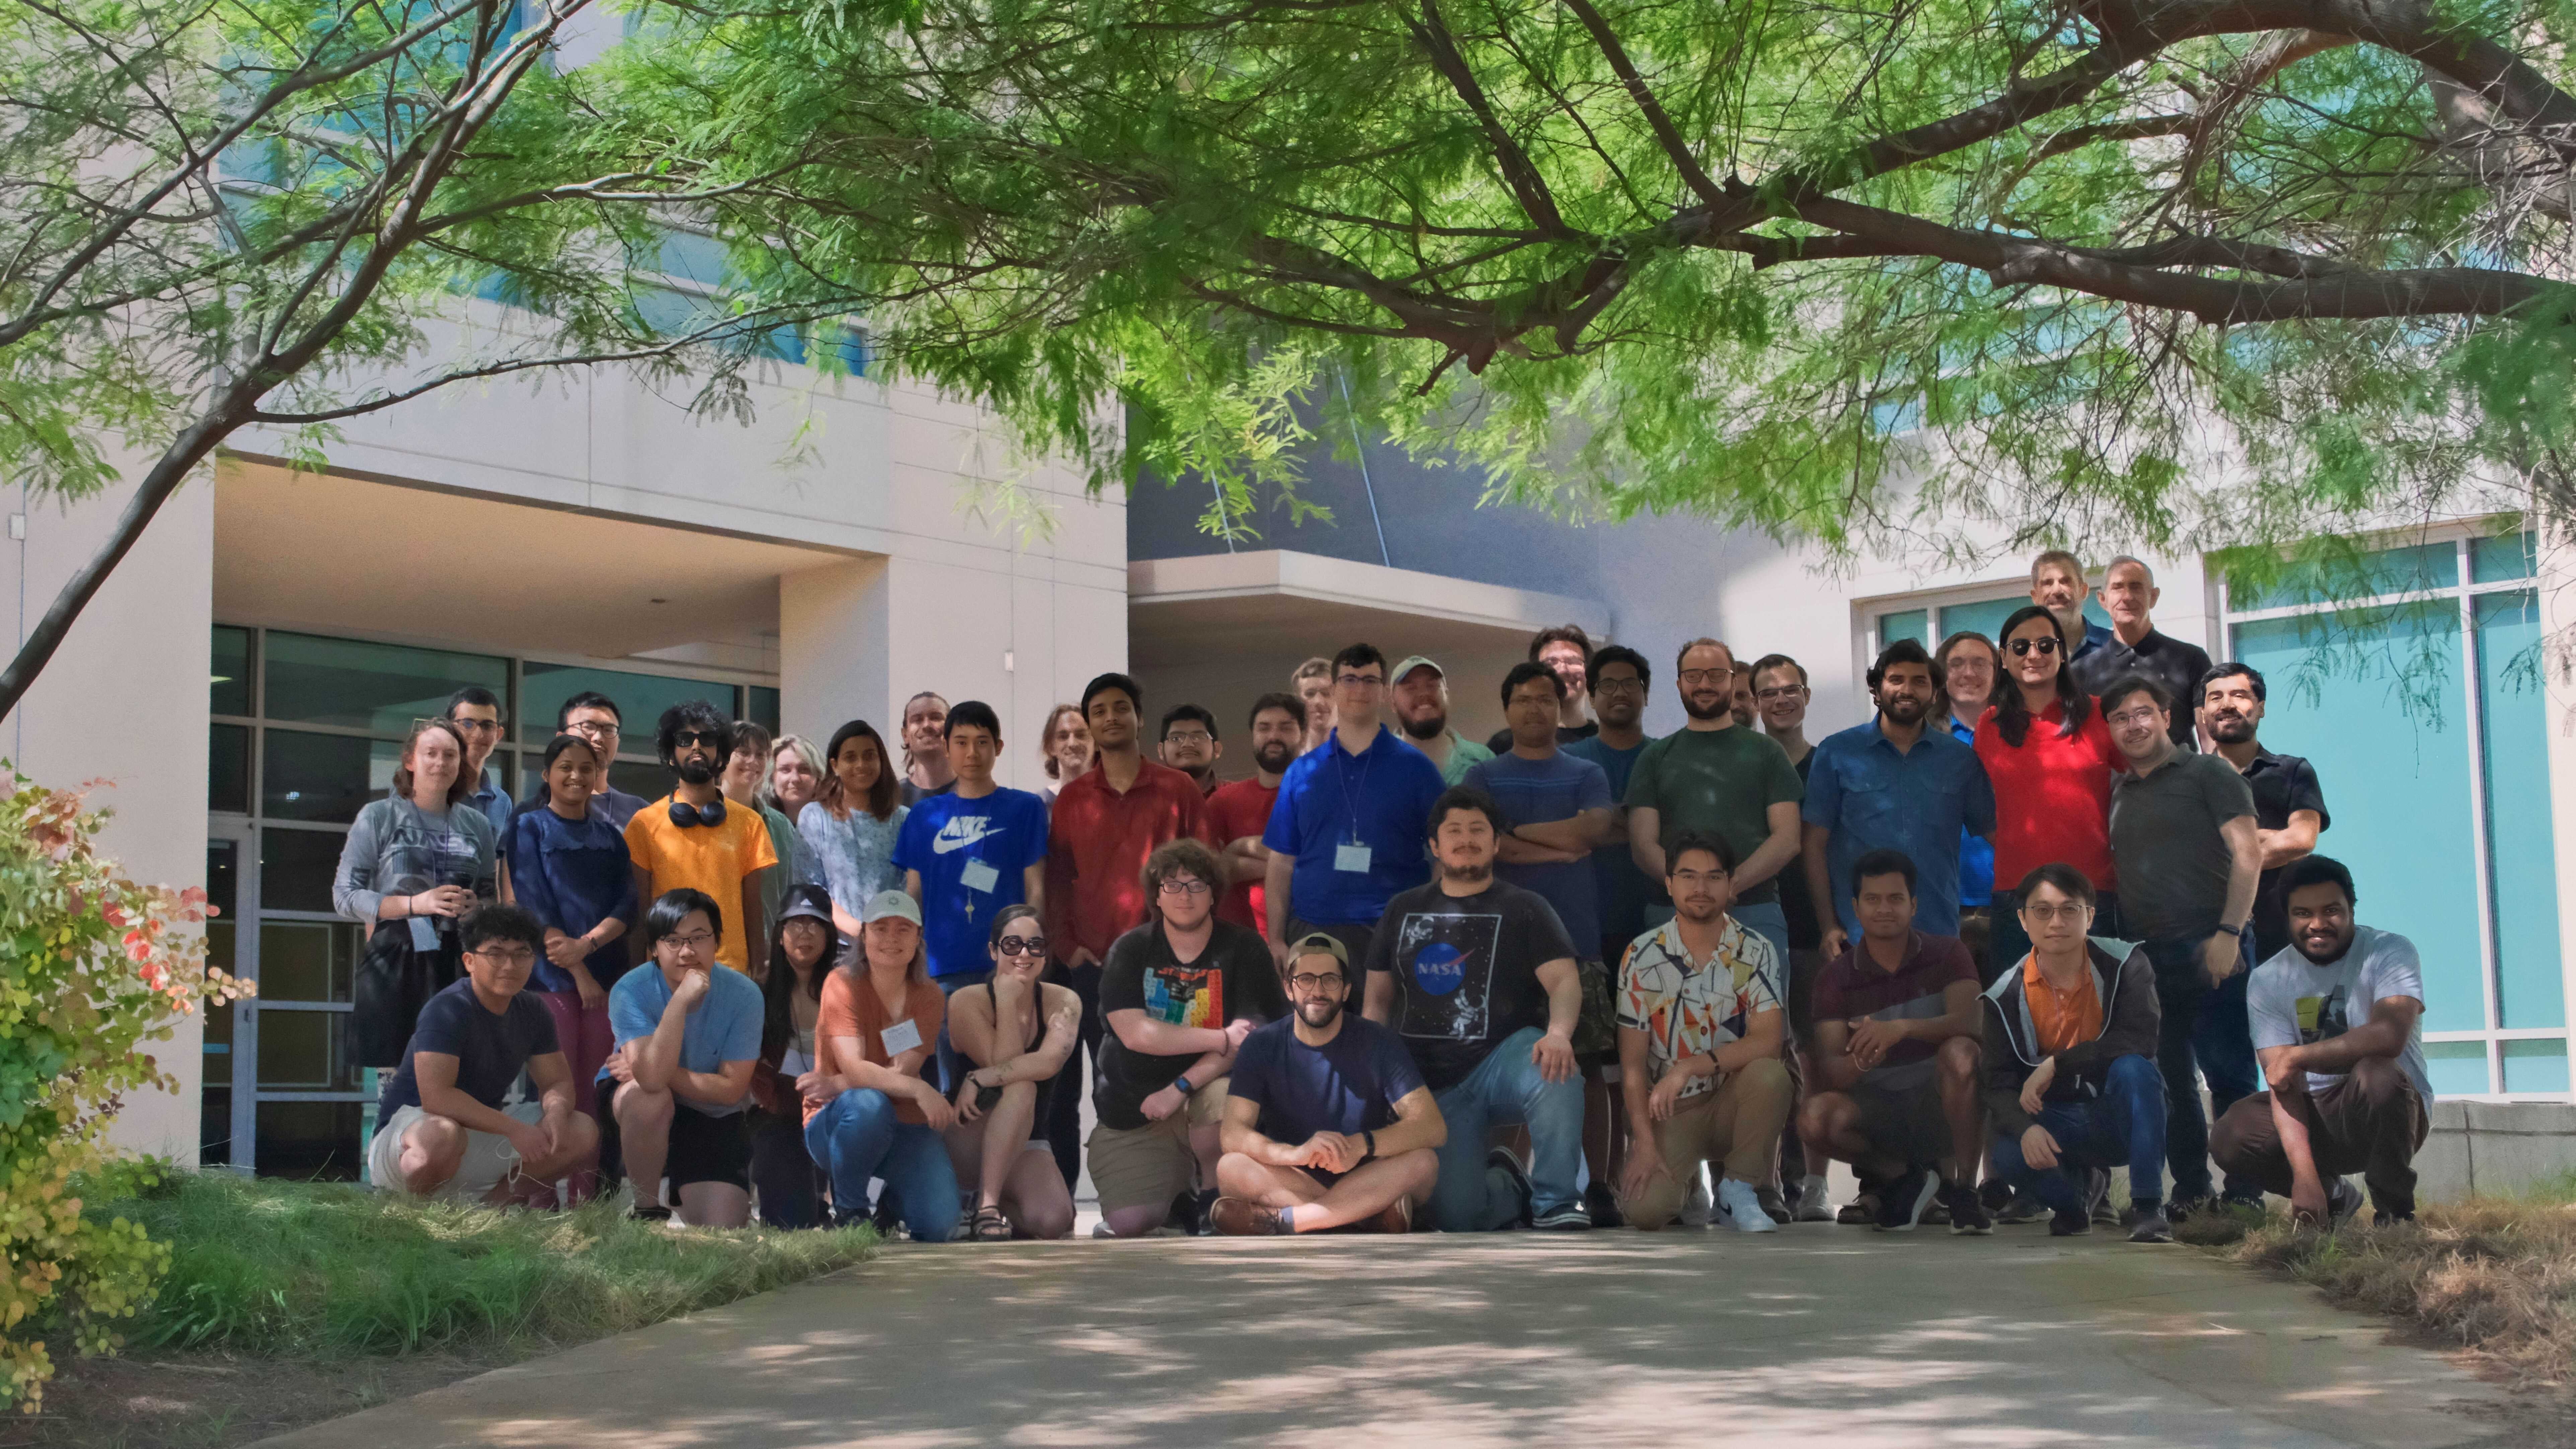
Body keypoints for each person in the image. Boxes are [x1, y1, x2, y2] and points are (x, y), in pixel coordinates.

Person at [1364, 788, 1589, 1231]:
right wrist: (1372, 1069)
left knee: (1557, 1067)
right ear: (1435, 845)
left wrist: (1559, 1031)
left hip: (1502, 1058)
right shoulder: (1403, 909)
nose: (1465, 840)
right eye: (1454, 831)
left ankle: (1556, 1200)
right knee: (1460, 1215)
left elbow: (1564, 980)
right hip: (1431, 1086)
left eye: (1477, 830)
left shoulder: (1526, 907)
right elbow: (1377, 999)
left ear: (1496, 842)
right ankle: (1509, 1182)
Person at [2103, 673, 2263, 1216]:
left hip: (2212, 945)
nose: (2134, 724)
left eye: (2142, 712)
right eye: (2121, 717)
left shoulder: (2209, 773)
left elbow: (2248, 853)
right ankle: (2191, 1191)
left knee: (2230, 1075)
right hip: (2147, 957)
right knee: (2170, 1080)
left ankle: (2243, 1196)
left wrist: (2229, 933)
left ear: (2166, 715)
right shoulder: (2116, 792)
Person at [1463, 662, 1618, 1221]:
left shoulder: (1583, 770)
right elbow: (1487, 846)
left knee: (1587, 1066)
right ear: (1506, 709)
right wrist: (1556, 847)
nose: (1533, 709)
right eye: (1522, 699)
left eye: (1543, 699)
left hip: (1576, 940)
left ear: (1560, 708)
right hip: (1499, 946)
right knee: (1505, 1067)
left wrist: (1516, 834)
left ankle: (1599, 1184)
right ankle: (1501, 1179)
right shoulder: (1483, 777)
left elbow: (1593, 830)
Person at [2212, 857, 2430, 1225]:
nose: (2317, 924)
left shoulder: (2389, 951)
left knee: (2376, 1071)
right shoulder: (2269, 979)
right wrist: (2305, 1178)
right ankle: (2333, 1197)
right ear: (2286, 916)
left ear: (2351, 908)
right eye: (2303, 913)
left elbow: (2389, 1035)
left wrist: (2299, 1056)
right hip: (2316, 1113)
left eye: (2331, 910)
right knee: (2231, 1132)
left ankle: (2395, 1215)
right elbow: (2282, 1081)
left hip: (2389, 1107)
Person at [1090, 840, 1287, 1236]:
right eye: (1173, 886)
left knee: (1219, 1099)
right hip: (1136, 1102)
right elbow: (1134, 1034)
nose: (1185, 895)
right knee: (1129, 1223)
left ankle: (1211, 1198)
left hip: (1204, 1090)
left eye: (1197, 885)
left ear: (1214, 893)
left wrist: (1181, 1086)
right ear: (1156, 897)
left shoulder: (1244, 947)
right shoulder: (1129, 950)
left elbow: (1247, 1040)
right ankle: (1178, 1196)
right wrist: (1218, 1037)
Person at [1798, 851, 1990, 1232]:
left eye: (1895, 899)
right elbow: (1833, 1069)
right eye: (1872, 899)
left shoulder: (1949, 953)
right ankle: (1906, 1178)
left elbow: (1970, 1023)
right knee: (1814, 1118)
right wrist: (1866, 1056)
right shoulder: (1835, 978)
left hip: (1939, 1104)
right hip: (1877, 1111)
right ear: (1855, 907)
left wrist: (1901, 1029)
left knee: (1963, 1053)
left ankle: (1965, 1191)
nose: (1884, 909)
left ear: (1914, 905)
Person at [1980, 864, 2173, 1242]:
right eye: (2042, 910)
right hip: (2059, 1121)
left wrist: (2058, 1063)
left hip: (2121, 1115)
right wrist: (2026, 1129)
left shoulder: (2127, 962)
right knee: (2008, 1152)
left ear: (2090, 915)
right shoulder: (2003, 993)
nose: (2056, 922)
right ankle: (2074, 1203)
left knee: (2135, 1069)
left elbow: (2140, 1039)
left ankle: (2149, 1208)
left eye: (2069, 909)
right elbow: (1996, 1083)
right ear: (2022, 919)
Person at [1611, 833, 1792, 1232]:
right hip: (1671, 1111)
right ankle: (1690, 1182)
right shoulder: (1641, 956)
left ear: (1731, 885)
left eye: (1713, 877)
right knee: (1645, 1213)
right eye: (1688, 876)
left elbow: (1768, 1040)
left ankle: (1738, 1189)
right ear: (1669, 882)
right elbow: (1632, 1067)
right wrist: (1642, 1143)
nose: (1700, 888)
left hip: (1734, 1101)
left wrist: (1691, 1066)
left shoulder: (1756, 949)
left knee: (1771, 1075)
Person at [1212, 934, 1446, 1234]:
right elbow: (1233, 1133)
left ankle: (1287, 1221)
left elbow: (1432, 1126)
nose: (1318, 991)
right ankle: (1365, 1217)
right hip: (1292, 1174)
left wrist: (1360, 1145)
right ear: (1288, 988)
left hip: (1367, 1174)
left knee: (1424, 1162)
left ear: (1346, 990)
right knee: (1231, 1167)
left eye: (1330, 980)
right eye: (1306, 979)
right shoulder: (1262, 1044)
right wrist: (1292, 1154)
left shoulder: (1378, 1041)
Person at [368, 904, 599, 1204]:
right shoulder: (447, 1008)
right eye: (495, 953)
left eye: (521, 953)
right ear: (469, 961)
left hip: (475, 1134)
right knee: (443, 1135)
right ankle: (411, 1215)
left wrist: (555, 1113)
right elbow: (436, 1098)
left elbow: (556, 1082)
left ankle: (485, 1212)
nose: (509, 965)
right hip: (410, 1138)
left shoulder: (534, 1010)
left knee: (580, 1129)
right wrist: (515, 1129)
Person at [893, 700, 1050, 1089]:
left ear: (998, 747)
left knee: (1006, 1074)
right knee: (951, 1082)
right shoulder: (924, 816)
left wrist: (1024, 954)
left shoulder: (1024, 808)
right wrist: (906, 958)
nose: (972, 753)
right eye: (961, 742)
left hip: (1003, 965)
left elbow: (1037, 888)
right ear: (946, 748)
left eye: (982, 742)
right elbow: (912, 892)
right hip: (941, 967)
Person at [1801, 640, 1996, 950]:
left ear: (1935, 694)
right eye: (1896, 680)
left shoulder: (1959, 760)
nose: (1907, 690)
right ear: (1876, 690)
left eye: (1919, 682)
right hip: (1859, 935)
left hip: (1938, 932)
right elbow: (1813, 844)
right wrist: (1828, 925)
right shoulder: (1837, 753)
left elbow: (1995, 833)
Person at [1625, 638, 1804, 975]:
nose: (1704, 684)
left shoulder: (1767, 753)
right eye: (1693, 676)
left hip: (1754, 909)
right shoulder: (1653, 758)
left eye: (1715, 674)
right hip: (1670, 915)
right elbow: (1642, 844)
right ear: (1679, 684)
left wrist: (1728, 886)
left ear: (1734, 680)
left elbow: (1788, 838)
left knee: (1763, 1026)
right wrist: (1691, 892)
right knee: (1672, 1027)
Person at [1262, 643, 1447, 965]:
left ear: (1384, 692)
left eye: (1370, 680)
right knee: (1315, 1019)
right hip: (1312, 929)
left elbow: (1446, 854)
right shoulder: (1301, 772)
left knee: (1383, 1019)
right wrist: (1276, 939)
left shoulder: (1418, 769)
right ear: (1334, 689)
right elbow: (1281, 862)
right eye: (1349, 679)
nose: (1359, 689)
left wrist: (1427, 923)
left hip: (1394, 930)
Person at [338, 717, 500, 1068]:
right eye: (431, 753)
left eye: (450, 755)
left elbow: (491, 898)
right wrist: (416, 903)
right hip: (396, 959)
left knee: (459, 1076)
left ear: (461, 765)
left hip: (459, 961)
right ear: (410, 760)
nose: (440, 763)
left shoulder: (478, 826)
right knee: (397, 1089)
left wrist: (478, 907)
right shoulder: (378, 816)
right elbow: (345, 896)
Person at [800, 890, 961, 1241]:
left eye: (904, 928)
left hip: (903, 1120)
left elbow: (902, 1068)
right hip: (839, 1121)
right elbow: (860, 1072)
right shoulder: (841, 984)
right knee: (867, 1104)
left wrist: (842, 1081)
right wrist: (919, 1088)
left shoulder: (930, 995)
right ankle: (851, 1211)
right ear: (864, 936)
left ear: (919, 938)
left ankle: (894, 1199)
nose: (892, 938)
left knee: (941, 1225)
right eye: (881, 928)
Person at [1974, 605, 2126, 975]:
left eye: (2045, 644)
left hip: (2092, 892)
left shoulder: (2100, 714)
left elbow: (2146, 784)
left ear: (2062, 652)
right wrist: (2021, 843)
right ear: (2004, 658)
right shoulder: (1989, 725)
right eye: (2021, 646)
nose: (2034, 654)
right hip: (2017, 893)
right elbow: (1978, 809)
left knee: (2098, 1016)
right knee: (2018, 1016)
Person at [600, 888, 763, 1225]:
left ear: (717, 941)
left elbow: (731, 1090)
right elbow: (651, 1083)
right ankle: (647, 1209)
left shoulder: (745, 995)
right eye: (672, 941)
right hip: (638, 1106)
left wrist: (646, 1068)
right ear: (654, 950)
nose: (687, 951)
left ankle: (680, 1189)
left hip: (711, 1113)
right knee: (650, 1098)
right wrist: (680, 1001)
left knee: (724, 1226)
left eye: (698, 938)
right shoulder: (629, 990)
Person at [1565, 643, 1658, 1226]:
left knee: (1651, 1061)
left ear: (1645, 693)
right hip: (1588, 927)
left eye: (1630, 684)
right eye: (1608, 685)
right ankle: (1600, 1182)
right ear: (1591, 695)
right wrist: (1614, 824)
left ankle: (1653, 1177)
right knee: (1595, 1065)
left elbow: (1613, 828)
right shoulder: (1574, 760)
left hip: (1654, 925)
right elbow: (1587, 832)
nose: (1619, 693)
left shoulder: (1665, 756)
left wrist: (1607, 825)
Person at [502, 732, 635, 1122]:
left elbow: (628, 904)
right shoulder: (528, 827)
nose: (576, 776)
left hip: (607, 976)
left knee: (596, 1089)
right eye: (566, 767)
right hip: (549, 979)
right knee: (556, 1090)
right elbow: (533, 902)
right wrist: (578, 970)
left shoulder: (610, 835)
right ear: (546, 774)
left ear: (597, 776)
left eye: (586, 769)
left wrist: (589, 947)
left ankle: (589, 1185)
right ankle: (543, 1183)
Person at [945, 903, 1082, 1240]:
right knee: (1021, 1088)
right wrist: (1006, 1001)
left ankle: (1001, 1197)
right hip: (968, 1133)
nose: (1024, 953)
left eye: (1035, 945)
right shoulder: (966, 1000)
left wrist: (978, 1078)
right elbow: (1003, 1064)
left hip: (1029, 1138)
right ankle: (986, 1207)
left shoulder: (1064, 1000)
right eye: (1012, 945)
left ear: (1046, 953)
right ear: (993, 951)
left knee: (1052, 1221)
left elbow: (1048, 1063)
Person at [623, 703, 774, 974]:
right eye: (684, 740)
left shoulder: (750, 824)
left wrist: (760, 976)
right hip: (666, 973)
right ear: (671, 755)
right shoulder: (643, 824)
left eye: (707, 739)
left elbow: (754, 911)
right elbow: (639, 914)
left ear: (722, 755)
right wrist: (637, 979)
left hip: (731, 974)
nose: (696, 746)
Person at [2198, 663, 2329, 964]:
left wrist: (2221, 854)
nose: (2227, 705)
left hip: (2288, 941)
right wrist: (2265, 841)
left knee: (2301, 1013)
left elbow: (2300, 840)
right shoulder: (2187, 781)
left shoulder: (2293, 771)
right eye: (2215, 697)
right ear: (2203, 713)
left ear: (2261, 708)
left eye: (2239, 695)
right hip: (2214, 942)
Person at [747, 884, 836, 1228]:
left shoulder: (844, 987)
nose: (805, 933)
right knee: (787, 1222)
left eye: (815, 924)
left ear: (829, 934)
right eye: (795, 924)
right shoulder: (759, 993)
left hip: (836, 1110)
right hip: (778, 1114)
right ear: (780, 934)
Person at [2069, 557, 2213, 748]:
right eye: (2118, 588)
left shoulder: (2191, 660)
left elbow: (2210, 740)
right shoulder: (2080, 672)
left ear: (2153, 597)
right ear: (2103, 600)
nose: (2127, 596)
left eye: (2136, 587)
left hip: (2180, 777)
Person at [799, 718, 910, 942]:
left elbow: (908, 887)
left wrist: (882, 932)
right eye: (850, 757)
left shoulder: (903, 819)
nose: (861, 764)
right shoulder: (814, 816)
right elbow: (810, 886)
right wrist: (858, 929)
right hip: (834, 946)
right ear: (835, 765)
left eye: (869, 756)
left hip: (890, 942)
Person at [1934, 631, 2003, 980]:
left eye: (1980, 663)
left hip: (2008, 897)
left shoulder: (2017, 733)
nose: (1968, 672)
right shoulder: (1923, 739)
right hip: (1942, 903)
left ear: (1997, 673)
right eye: (1956, 663)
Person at [1206, 692, 1305, 932]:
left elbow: (1323, 864)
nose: (1273, 736)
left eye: (1285, 727)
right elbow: (1212, 872)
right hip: (1236, 940)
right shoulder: (1223, 801)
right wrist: (1291, 863)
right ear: (1253, 735)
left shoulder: (1320, 795)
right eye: (1264, 728)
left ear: (1303, 734)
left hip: (1306, 937)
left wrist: (1238, 848)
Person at [722, 720, 823, 944]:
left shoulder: (779, 826)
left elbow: (789, 895)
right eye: (744, 752)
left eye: (761, 755)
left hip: (768, 953)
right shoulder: (703, 817)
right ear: (721, 757)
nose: (753, 761)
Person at [521, 692, 651, 830]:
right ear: (561, 738)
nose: (598, 738)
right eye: (588, 727)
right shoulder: (533, 811)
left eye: (609, 730)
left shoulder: (640, 812)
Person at [1483, 625, 1600, 751]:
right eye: (1551, 662)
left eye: (1573, 661)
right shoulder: (1506, 744)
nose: (1563, 670)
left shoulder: (1610, 743)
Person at [1390, 655, 1493, 785]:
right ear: (1393, 703)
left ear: (1447, 694)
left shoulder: (1483, 759)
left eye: (1432, 685)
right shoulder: (1377, 765)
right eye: (1411, 688)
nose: (1424, 694)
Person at [443, 686, 515, 842]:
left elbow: (499, 863)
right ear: (449, 728)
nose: (478, 734)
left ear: (499, 734)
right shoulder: (430, 788)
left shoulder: (502, 802)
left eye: (487, 726)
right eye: (468, 724)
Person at [2030, 550, 2114, 665]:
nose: (2057, 591)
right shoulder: (2022, 655)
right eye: (2048, 583)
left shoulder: (2114, 647)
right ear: (2035, 597)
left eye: (2065, 581)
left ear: (2084, 591)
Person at [898, 691, 956, 805]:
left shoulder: (977, 793)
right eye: (917, 720)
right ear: (905, 735)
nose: (927, 725)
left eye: (936, 718)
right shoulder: (892, 800)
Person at [764, 734, 828, 831]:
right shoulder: (761, 825)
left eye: (804, 770)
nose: (795, 779)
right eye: (785, 770)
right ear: (772, 777)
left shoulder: (835, 825)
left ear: (819, 777)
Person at [1158, 704, 1224, 795]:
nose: (1188, 744)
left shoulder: (1237, 797)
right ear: (1161, 751)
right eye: (1176, 739)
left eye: (1198, 738)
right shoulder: (1147, 799)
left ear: (1217, 749)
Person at [1036, 703, 1092, 808]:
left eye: (1081, 735)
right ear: (1051, 747)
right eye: (1063, 737)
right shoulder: (1038, 805)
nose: (1073, 744)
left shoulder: (1111, 802)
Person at [1292, 656, 1335, 753]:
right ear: (1298, 700)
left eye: (1327, 693)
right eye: (1310, 694)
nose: (1318, 701)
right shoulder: (1288, 760)